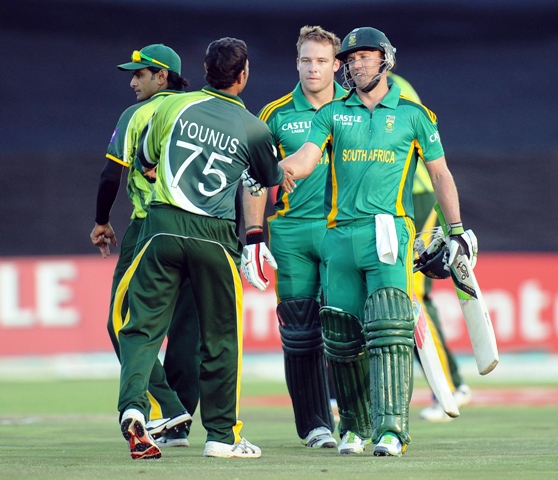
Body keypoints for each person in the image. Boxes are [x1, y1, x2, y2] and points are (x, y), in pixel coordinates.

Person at [278, 26, 477, 457]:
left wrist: (458, 230)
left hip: (389, 232)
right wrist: (274, 168)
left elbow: (441, 175)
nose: (355, 64)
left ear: (385, 59)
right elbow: (306, 160)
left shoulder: (413, 115)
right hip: (340, 236)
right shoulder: (331, 114)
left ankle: (392, 429)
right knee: (341, 335)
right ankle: (353, 425)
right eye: (350, 59)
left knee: (389, 328)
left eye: (364, 56)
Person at [116, 37, 288, 460]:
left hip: (161, 229)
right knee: (221, 339)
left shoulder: (170, 106)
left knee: (139, 328)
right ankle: (221, 437)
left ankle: (134, 407)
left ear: (206, 70)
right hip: (213, 236)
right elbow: (269, 181)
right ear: (243, 76)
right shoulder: (255, 128)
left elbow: (147, 159)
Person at [90, 43, 199, 451]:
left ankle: (168, 407)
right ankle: (182, 425)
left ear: (163, 76)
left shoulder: (137, 115)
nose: (134, 81)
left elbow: (109, 176)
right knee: (188, 332)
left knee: (122, 323)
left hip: (150, 226)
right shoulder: (199, 110)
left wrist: (102, 221)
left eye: (141, 73)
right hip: (204, 230)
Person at [241, 25, 345, 451]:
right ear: (296, 62)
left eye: (321, 61)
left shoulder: (359, 108)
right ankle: (316, 427)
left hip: (345, 232)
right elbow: (253, 178)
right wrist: (252, 235)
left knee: (348, 329)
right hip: (292, 236)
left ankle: (361, 420)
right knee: (301, 335)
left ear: (337, 65)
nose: (313, 69)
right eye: (306, 60)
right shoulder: (276, 113)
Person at [389, 72, 472, 422]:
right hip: (389, 203)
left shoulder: (392, 86)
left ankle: (450, 387)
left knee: (414, 293)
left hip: (416, 196)